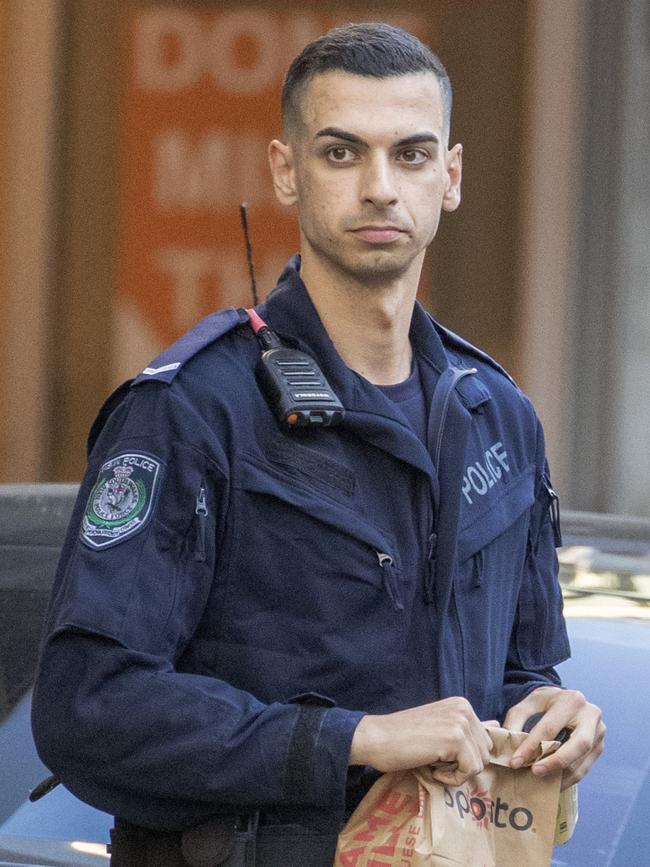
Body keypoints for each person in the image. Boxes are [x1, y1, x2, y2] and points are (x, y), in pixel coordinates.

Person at [32, 22, 605, 866]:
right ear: (285, 170)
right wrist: (357, 738)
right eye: (342, 153)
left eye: (411, 155)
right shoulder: (197, 409)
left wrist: (552, 713)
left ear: (449, 178)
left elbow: (516, 676)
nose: (380, 187)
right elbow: (88, 707)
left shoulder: (500, 419)